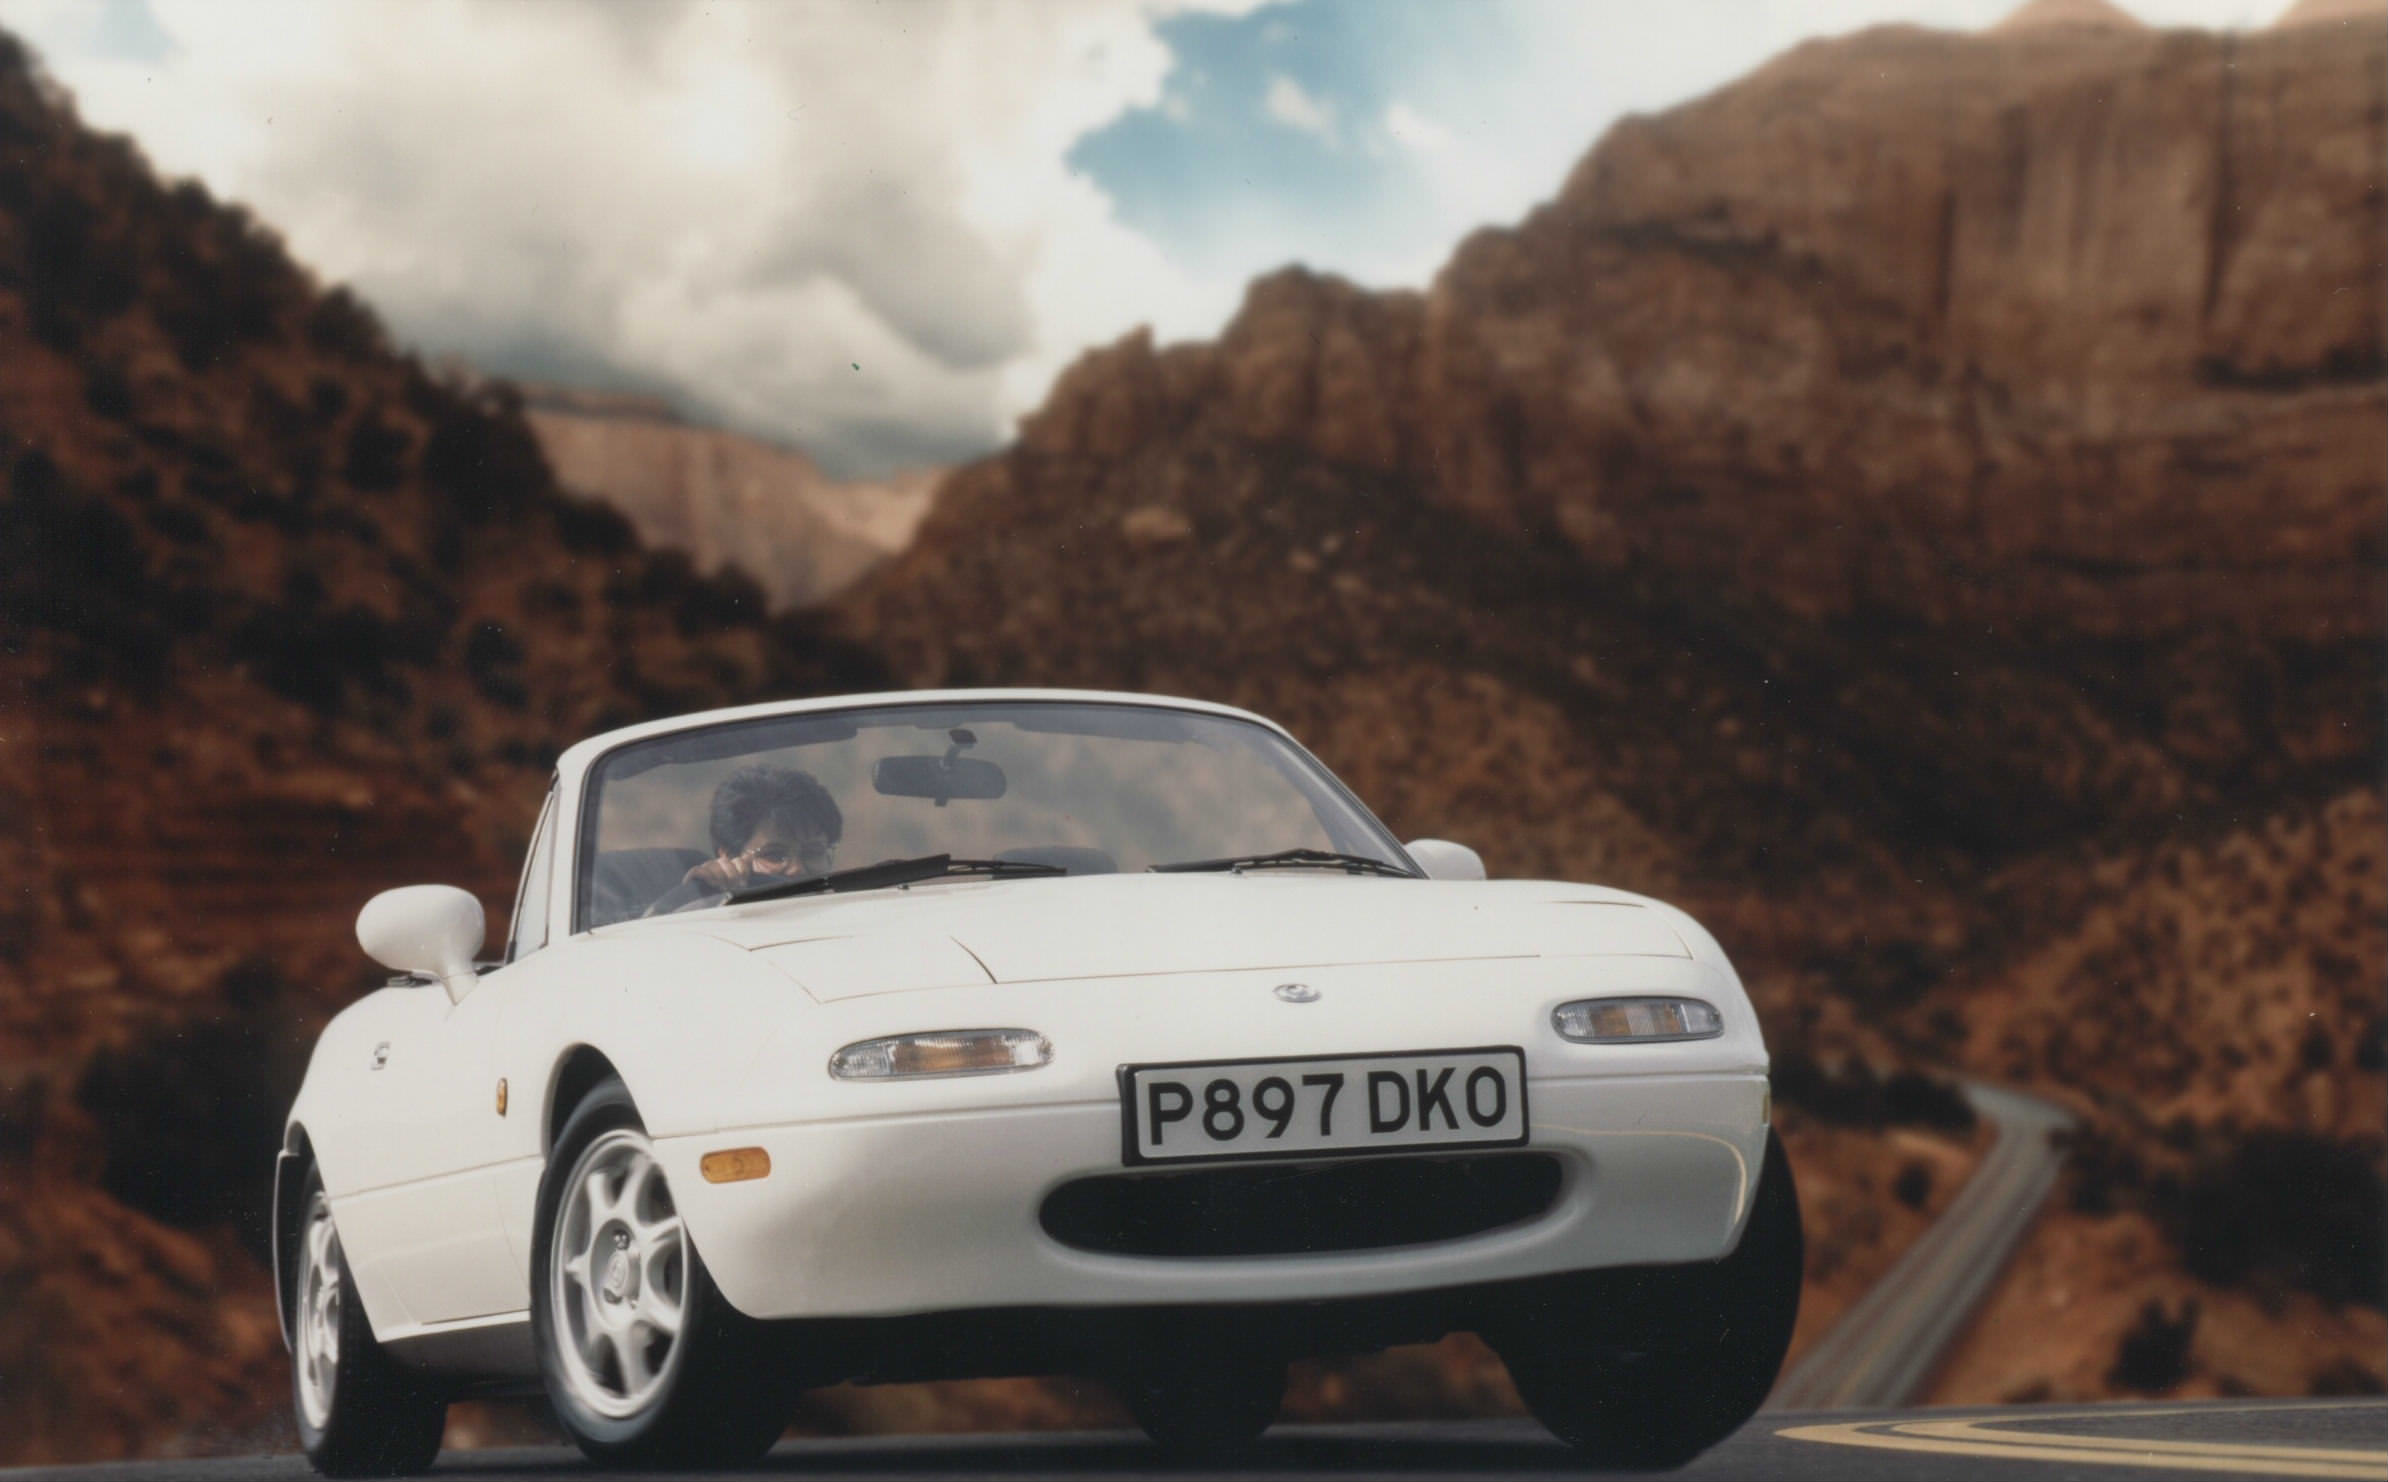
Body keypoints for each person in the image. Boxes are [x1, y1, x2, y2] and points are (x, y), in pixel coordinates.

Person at [644, 764, 842, 915]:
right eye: (775, 855)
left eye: (813, 852)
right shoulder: (706, 918)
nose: (797, 868)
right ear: (729, 856)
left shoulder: (853, 910)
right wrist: (700, 894)